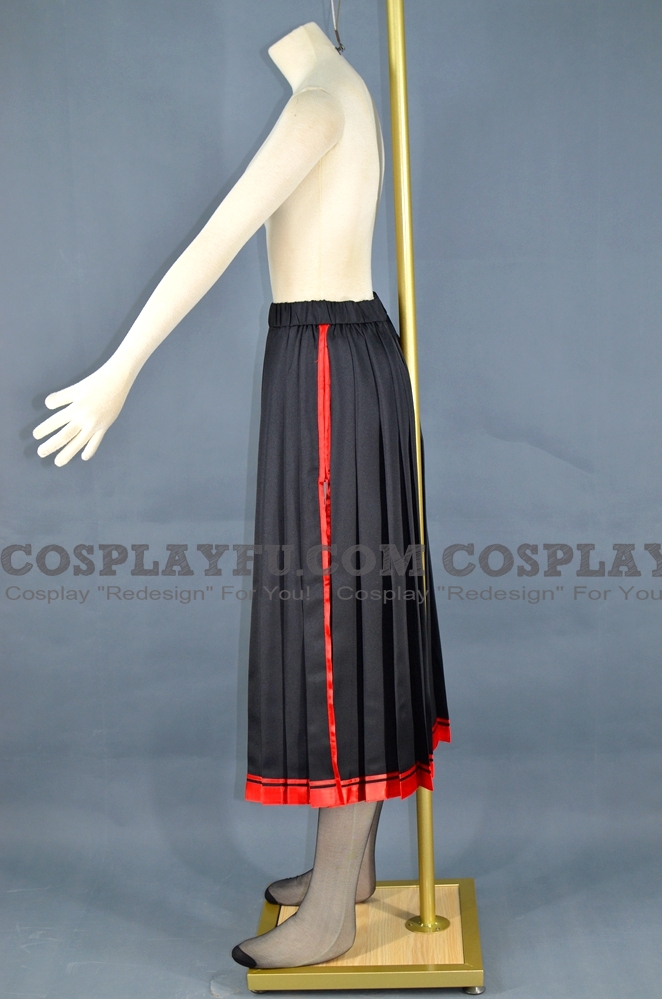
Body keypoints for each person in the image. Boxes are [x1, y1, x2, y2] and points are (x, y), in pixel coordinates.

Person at [33, 21, 449, 969]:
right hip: (336, 356)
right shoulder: (342, 90)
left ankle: (334, 911)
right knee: (352, 612)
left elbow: (216, 242)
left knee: (337, 625)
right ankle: (352, 867)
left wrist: (118, 371)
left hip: (329, 369)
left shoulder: (318, 104)